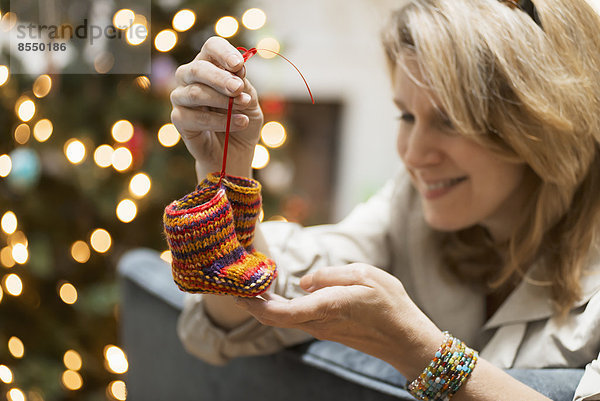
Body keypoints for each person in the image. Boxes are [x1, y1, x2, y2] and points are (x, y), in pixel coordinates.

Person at [168, 0, 600, 399]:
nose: (412, 155)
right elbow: (230, 321)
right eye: (407, 115)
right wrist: (227, 172)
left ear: (543, 122)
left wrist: (423, 352)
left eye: (450, 121)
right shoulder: (411, 206)